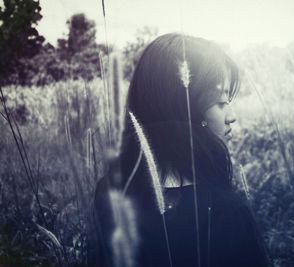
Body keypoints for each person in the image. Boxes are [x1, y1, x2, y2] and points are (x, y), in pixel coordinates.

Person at [92, 33, 271, 267]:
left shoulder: (109, 194)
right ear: (187, 109)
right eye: (220, 102)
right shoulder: (228, 212)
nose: (232, 117)